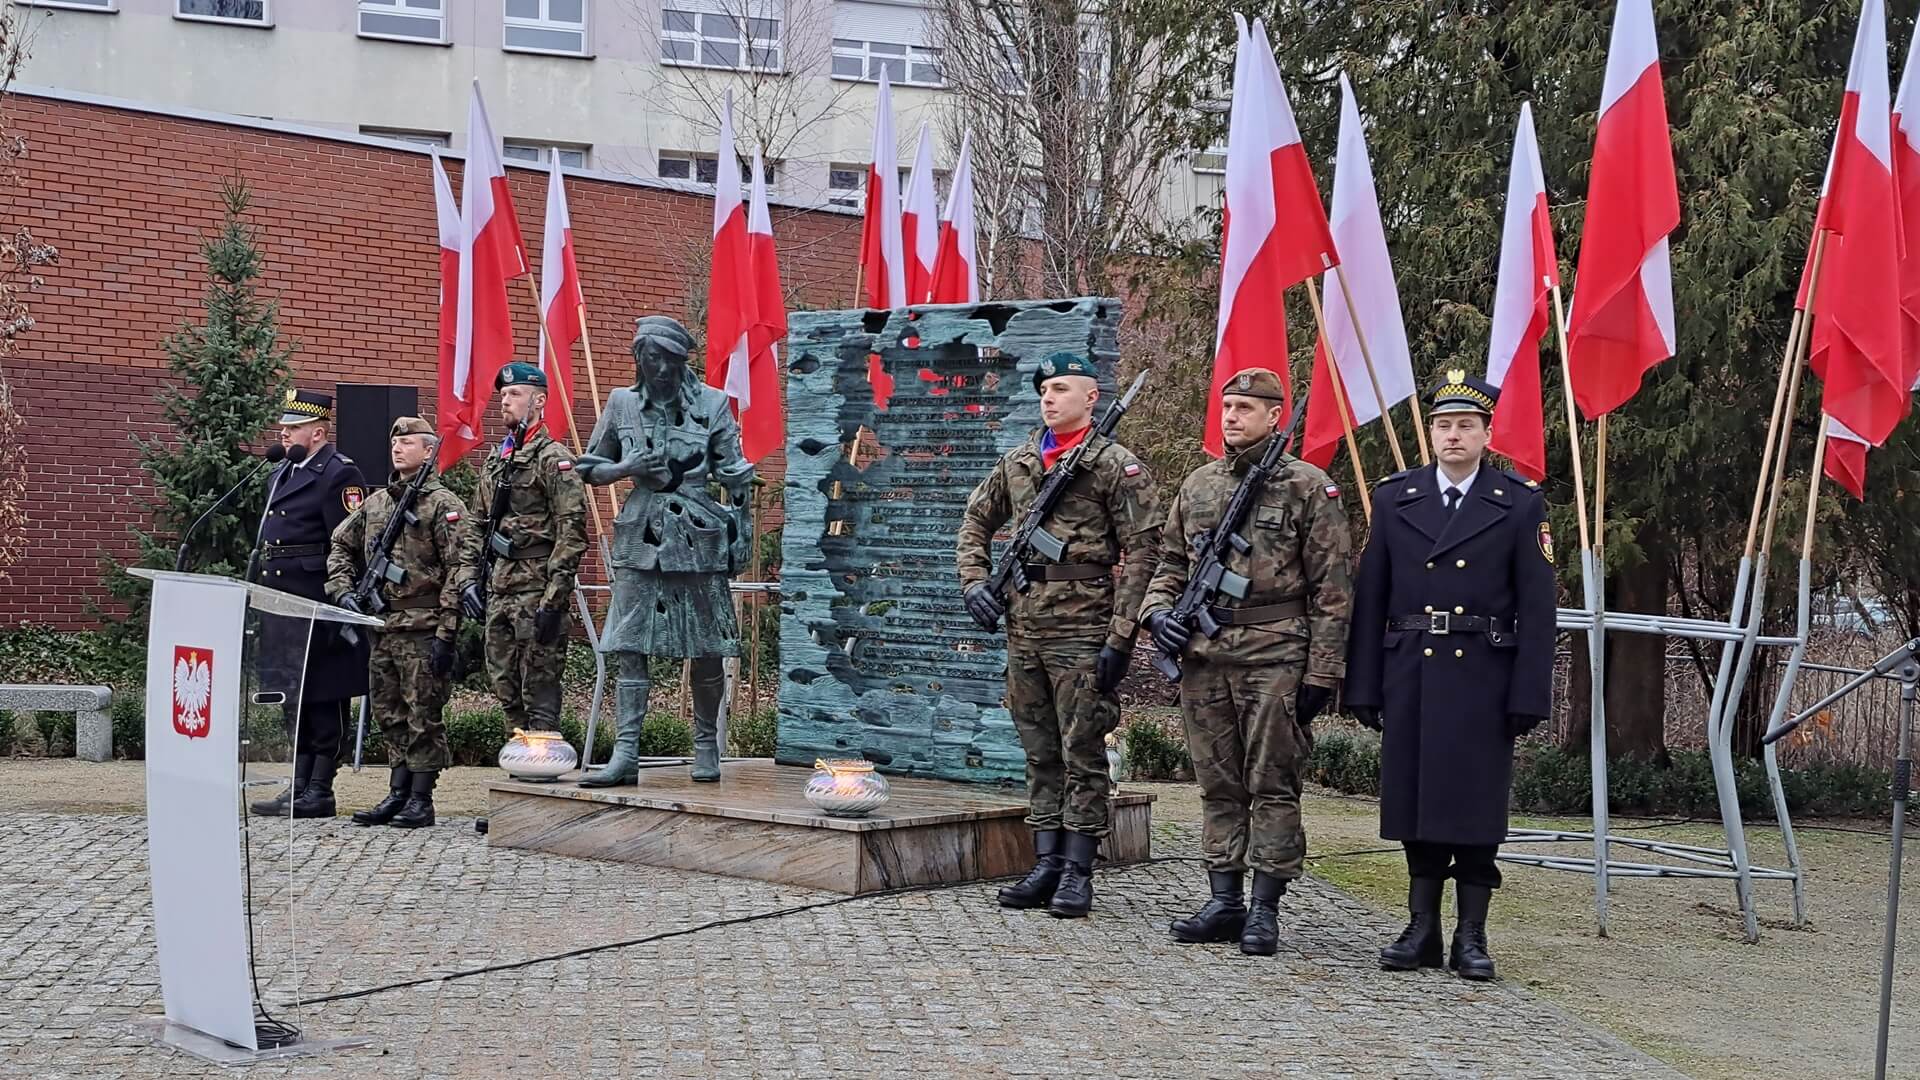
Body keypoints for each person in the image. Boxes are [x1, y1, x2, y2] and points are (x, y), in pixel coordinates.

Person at [1343, 369, 1558, 981]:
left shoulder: (1519, 503)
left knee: (1474, 806)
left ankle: (1471, 933)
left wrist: (1528, 693)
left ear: (1487, 433)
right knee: (1416, 804)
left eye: (1466, 425)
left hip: (1482, 677)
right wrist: (1362, 683)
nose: (1453, 435)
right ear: (1430, 433)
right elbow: (1372, 597)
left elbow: (1538, 609)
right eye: (1443, 425)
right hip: (1411, 669)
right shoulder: (1396, 498)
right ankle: (1421, 927)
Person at [1138, 367, 1353, 956]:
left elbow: (1333, 588)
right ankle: (1223, 898)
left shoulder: (1308, 487)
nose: (1231, 417)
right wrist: (1158, 615)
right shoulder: (1200, 485)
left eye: (1244, 408)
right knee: (1217, 782)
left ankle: (1264, 908)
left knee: (1272, 783)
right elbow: (1170, 565)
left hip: (1276, 654)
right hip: (1206, 657)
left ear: (1273, 415)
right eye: (1227, 406)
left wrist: (1323, 671)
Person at [955, 352, 1161, 919]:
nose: (1049, 398)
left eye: (1062, 388)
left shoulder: (1116, 466)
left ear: (1091, 398)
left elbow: (1145, 551)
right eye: (1044, 388)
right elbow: (976, 519)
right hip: (1024, 627)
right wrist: (975, 581)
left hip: (1083, 628)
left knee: (1083, 750)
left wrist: (1122, 635)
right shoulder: (1020, 460)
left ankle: (1077, 869)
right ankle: (1044, 860)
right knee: (1039, 750)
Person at [573, 315, 752, 786]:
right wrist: (626, 467)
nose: (664, 369)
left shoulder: (712, 404)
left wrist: (742, 516)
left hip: (698, 536)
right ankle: (626, 753)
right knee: (630, 646)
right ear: (639, 359)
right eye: (654, 358)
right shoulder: (621, 403)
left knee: (708, 646)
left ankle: (706, 746)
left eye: (672, 360)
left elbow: (734, 471)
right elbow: (589, 466)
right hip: (640, 536)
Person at [325, 417, 467, 829]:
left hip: (424, 624)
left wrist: (447, 631)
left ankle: (421, 798)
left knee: (423, 712)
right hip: (382, 625)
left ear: (428, 451)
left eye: (408, 443)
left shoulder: (444, 505)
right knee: (390, 713)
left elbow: (460, 569)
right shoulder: (377, 503)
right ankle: (398, 791)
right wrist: (343, 590)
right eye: (396, 443)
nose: (398, 449)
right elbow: (340, 544)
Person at [249, 388, 369, 819]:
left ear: (317, 432)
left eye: (294, 427)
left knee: (322, 695)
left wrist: (340, 596)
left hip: (315, 600)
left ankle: (320, 787)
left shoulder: (338, 475)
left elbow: (349, 544)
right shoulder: (279, 473)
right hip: (279, 601)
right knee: (290, 694)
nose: (284, 432)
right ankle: (296, 785)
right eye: (284, 426)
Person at [455, 363, 589, 736]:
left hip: (537, 587)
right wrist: (468, 579)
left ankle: (543, 759)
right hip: (501, 587)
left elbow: (572, 530)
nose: (506, 402)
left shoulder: (554, 459)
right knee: (504, 682)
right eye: (503, 396)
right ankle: (519, 755)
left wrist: (554, 599)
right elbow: (477, 525)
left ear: (539, 401)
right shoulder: (498, 459)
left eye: (515, 394)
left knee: (539, 683)